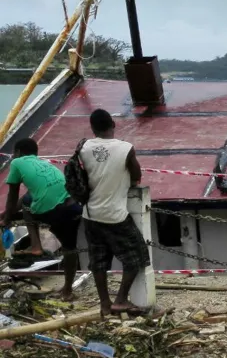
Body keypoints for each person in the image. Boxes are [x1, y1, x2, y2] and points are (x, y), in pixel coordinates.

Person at [81, 108, 149, 316]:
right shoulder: (126, 148)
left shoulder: (83, 147)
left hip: (90, 214)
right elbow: (137, 176)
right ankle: (120, 299)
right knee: (137, 256)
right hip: (115, 214)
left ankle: (104, 304)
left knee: (98, 261)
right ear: (114, 124)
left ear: (92, 128)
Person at [0, 138, 82, 301]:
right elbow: (31, 195)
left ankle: (36, 246)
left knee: (27, 201)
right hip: (73, 207)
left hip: (52, 209)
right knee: (70, 249)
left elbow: (13, 194)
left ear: (18, 152)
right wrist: (6, 214)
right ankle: (67, 291)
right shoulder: (45, 164)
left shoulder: (17, 163)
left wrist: (6, 219)